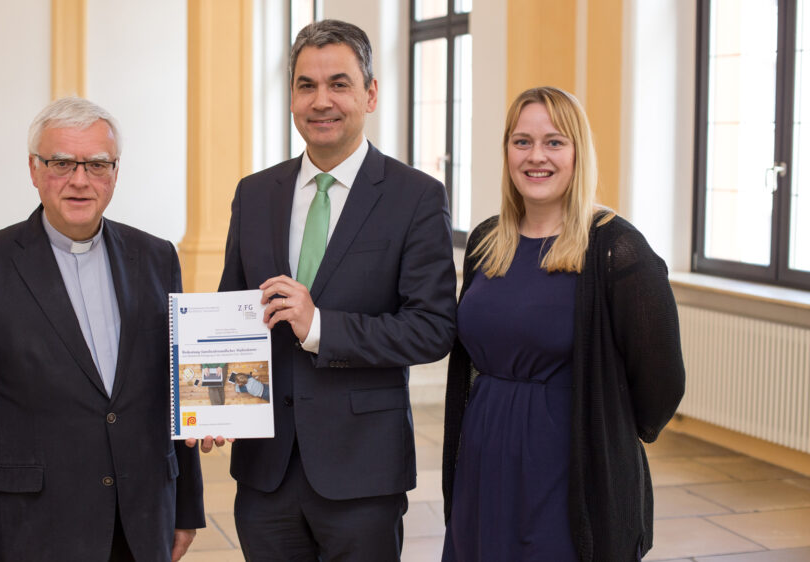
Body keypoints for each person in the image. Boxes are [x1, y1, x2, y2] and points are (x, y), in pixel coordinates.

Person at [193, 18, 456, 561]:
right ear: (290, 96)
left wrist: (321, 328)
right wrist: (213, 405)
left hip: (362, 472)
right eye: (306, 85)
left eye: (339, 84)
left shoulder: (415, 197)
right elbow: (233, 311)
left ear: (371, 93)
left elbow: (433, 328)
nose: (321, 101)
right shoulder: (255, 193)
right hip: (265, 473)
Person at [0, 97, 204, 562]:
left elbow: (174, 390)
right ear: (34, 170)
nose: (80, 180)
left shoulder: (157, 258)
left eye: (97, 164)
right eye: (61, 163)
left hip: (140, 520)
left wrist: (186, 506)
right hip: (34, 526)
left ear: (115, 173)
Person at [441, 86, 686, 561]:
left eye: (554, 142)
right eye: (522, 141)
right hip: (484, 455)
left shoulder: (615, 249)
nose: (537, 157)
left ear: (579, 152)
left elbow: (662, 378)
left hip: (569, 464)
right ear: (507, 151)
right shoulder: (487, 241)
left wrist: (610, 430)